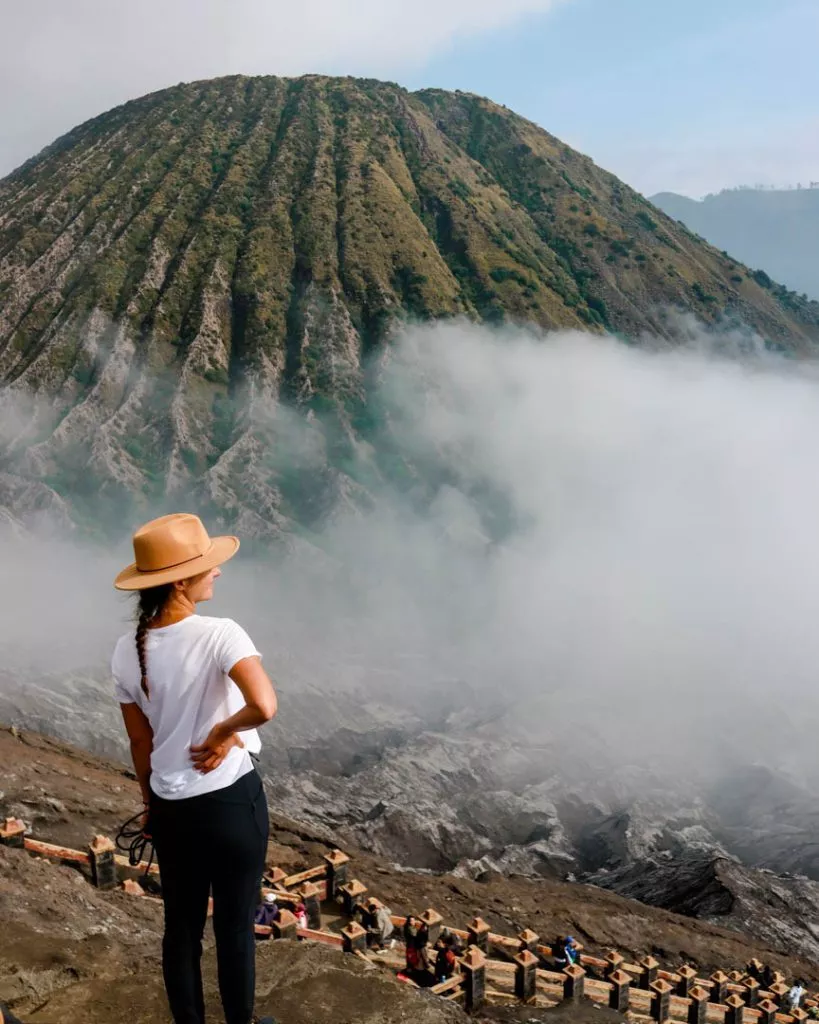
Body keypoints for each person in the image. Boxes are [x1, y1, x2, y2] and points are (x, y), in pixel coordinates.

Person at [113, 513, 278, 1024]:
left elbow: (141, 741)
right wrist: (223, 733)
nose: (218, 573)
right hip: (230, 801)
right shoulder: (220, 634)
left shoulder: (126, 650)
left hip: (170, 806)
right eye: (209, 566)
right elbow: (265, 705)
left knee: (180, 927)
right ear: (180, 580)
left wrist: (149, 806)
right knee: (233, 925)